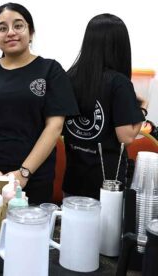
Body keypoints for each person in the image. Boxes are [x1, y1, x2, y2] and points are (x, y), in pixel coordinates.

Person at [0, 3, 79, 204]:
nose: (10, 33)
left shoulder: (50, 70)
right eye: (2, 28)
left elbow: (55, 127)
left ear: (31, 31)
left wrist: (23, 173)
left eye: (18, 26)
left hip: (33, 176)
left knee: (27, 230)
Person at [62, 14, 147, 200]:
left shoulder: (68, 77)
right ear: (120, 46)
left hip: (72, 182)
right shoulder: (119, 83)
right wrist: (142, 109)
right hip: (108, 187)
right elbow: (126, 136)